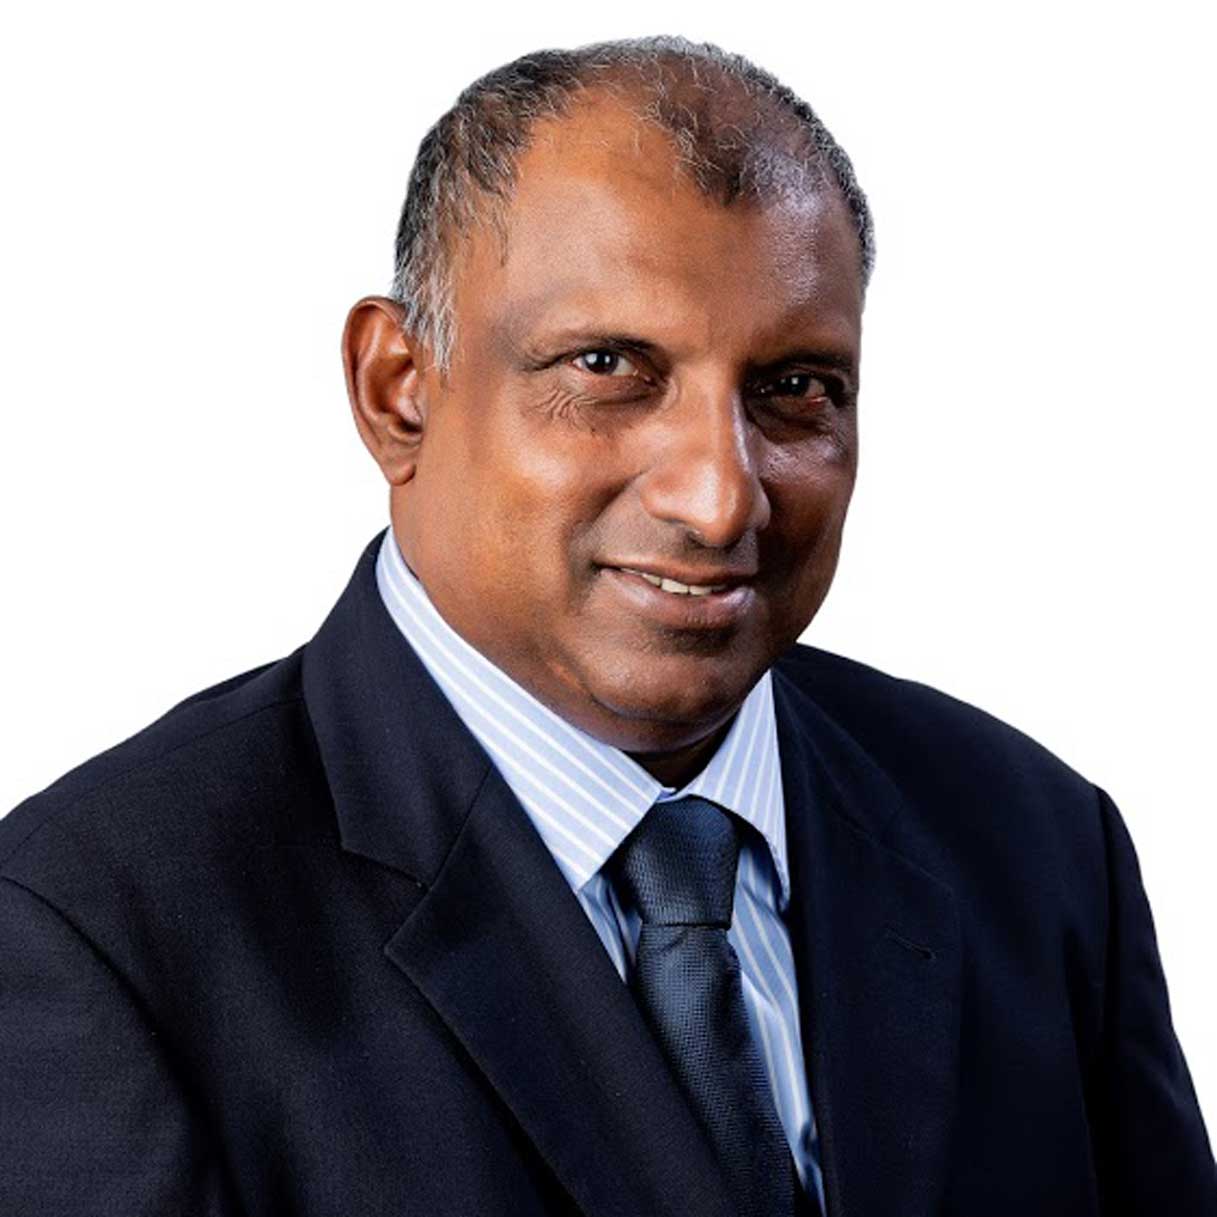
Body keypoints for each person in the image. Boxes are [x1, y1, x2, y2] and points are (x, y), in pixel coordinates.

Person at [1, 33, 1213, 1217]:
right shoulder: (95, 935)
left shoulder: (1035, 846)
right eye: (605, 366)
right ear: (397, 392)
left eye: (794, 387)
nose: (718, 496)